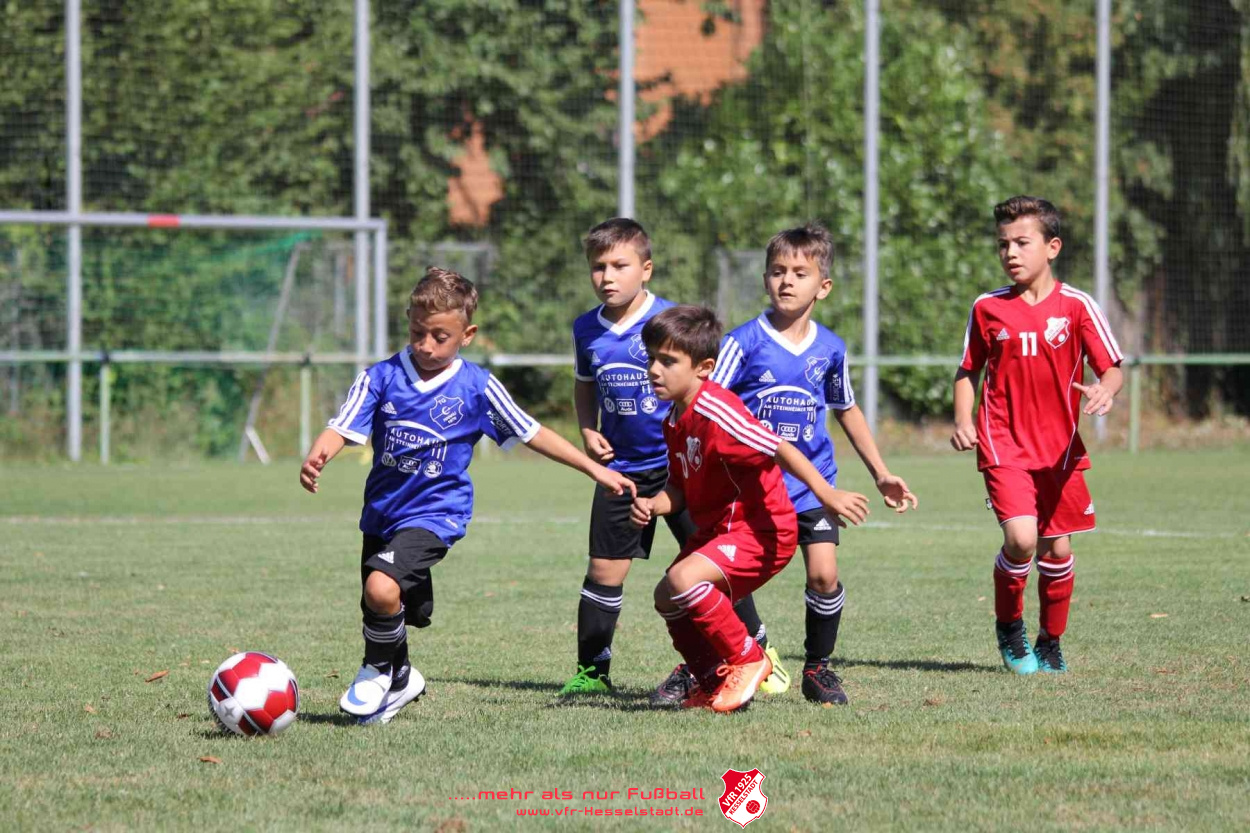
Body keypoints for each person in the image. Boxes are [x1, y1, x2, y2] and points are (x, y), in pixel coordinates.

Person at [300, 267, 636, 724]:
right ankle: (401, 677)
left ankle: (376, 669)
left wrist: (594, 468)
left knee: (381, 586)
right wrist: (320, 453)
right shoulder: (381, 377)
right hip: (382, 513)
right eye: (417, 333)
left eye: (440, 337)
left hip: (437, 513)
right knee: (383, 602)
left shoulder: (476, 387)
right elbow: (342, 425)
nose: (426, 345)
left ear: (467, 335)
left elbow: (532, 432)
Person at [562, 218, 784, 698]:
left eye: (619, 265)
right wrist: (587, 429)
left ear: (646, 269)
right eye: (598, 267)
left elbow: (708, 394)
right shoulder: (585, 328)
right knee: (604, 571)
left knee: (711, 569)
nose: (607, 276)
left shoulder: (669, 323)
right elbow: (584, 384)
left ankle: (761, 656)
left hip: (682, 469)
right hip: (621, 471)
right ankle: (592, 673)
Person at [708, 223, 918, 706]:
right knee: (731, 576)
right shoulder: (743, 343)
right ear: (765, 279)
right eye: (777, 271)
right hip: (751, 488)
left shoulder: (830, 349)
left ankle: (818, 669)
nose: (787, 281)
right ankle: (753, 648)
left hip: (812, 486)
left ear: (823, 287)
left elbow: (847, 409)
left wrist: (881, 473)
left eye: (800, 273)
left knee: (824, 575)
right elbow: (709, 404)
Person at [631, 305, 873, 713]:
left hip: (762, 530)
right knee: (666, 596)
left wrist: (825, 493)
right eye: (652, 358)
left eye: (668, 361)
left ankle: (747, 659)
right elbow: (680, 487)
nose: (654, 370)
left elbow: (779, 446)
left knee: (683, 579)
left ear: (704, 368)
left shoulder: (717, 408)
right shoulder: (674, 418)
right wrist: (654, 504)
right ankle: (712, 679)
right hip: (722, 530)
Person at [952, 195, 1124, 674]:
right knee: (1022, 539)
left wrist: (1106, 390)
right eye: (1003, 244)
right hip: (1003, 442)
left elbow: (1111, 368)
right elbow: (967, 370)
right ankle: (1010, 629)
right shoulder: (988, 307)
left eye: (1021, 242)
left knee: (1059, 550)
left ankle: (1051, 642)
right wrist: (964, 419)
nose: (1010, 252)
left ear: (1052, 247)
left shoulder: (1076, 306)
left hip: (1060, 450)